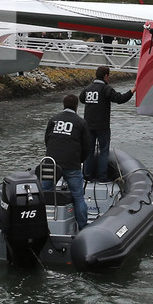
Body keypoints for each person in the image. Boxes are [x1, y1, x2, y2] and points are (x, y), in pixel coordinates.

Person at [42, 93, 93, 230]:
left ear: (63, 105)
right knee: (78, 196)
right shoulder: (81, 122)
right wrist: (79, 161)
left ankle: (43, 224)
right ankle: (83, 227)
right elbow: (87, 146)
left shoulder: (54, 120)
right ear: (76, 106)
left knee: (44, 193)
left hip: (51, 164)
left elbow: (47, 139)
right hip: (71, 165)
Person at [80, 66, 133, 181]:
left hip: (88, 126)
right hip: (102, 126)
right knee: (104, 151)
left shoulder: (88, 88)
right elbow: (120, 99)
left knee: (89, 151)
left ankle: (87, 176)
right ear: (106, 76)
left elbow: (81, 99)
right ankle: (102, 176)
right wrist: (132, 91)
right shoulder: (106, 89)